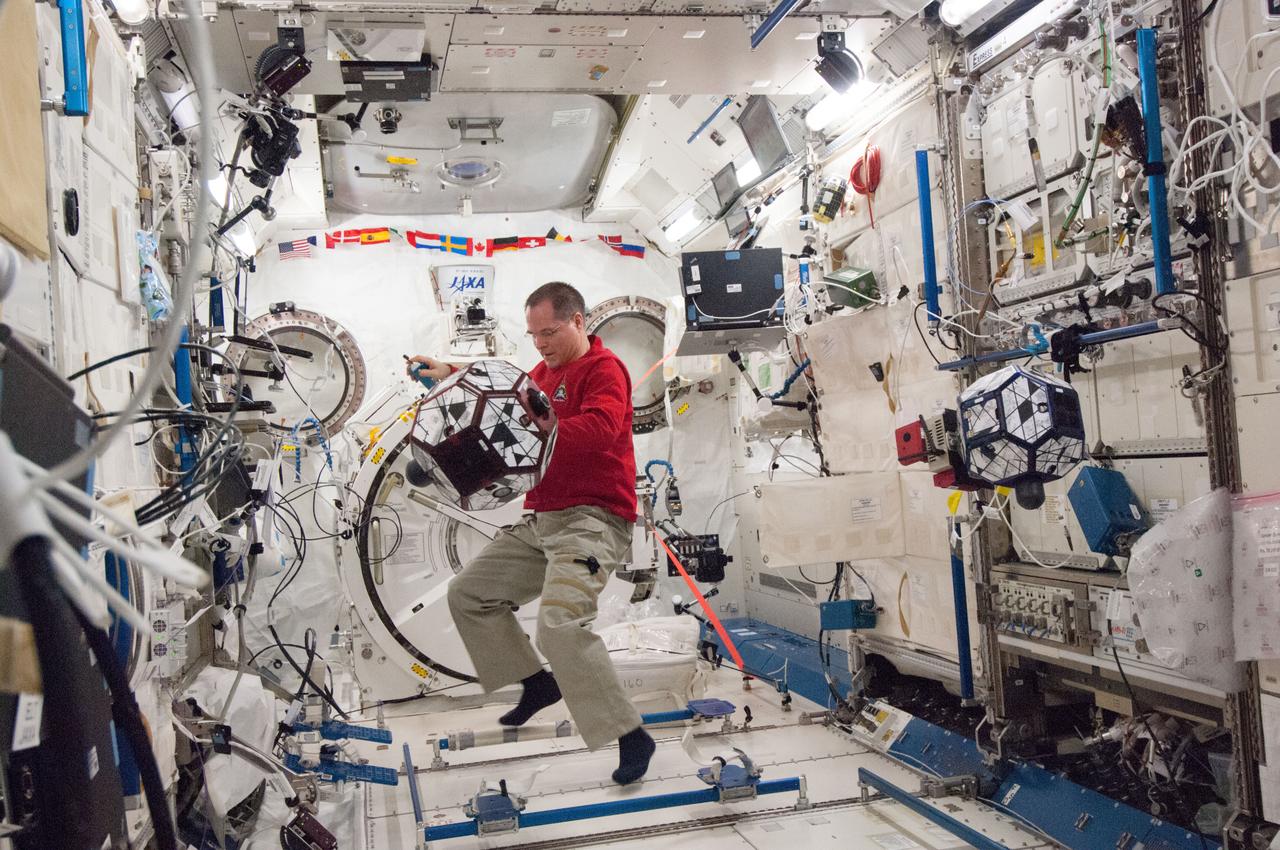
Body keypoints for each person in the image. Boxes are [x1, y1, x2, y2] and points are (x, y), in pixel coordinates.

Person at [406, 281, 655, 784]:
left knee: (560, 627)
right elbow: (503, 396)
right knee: (468, 595)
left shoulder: (605, 370)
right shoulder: (542, 374)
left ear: (578, 321)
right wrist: (448, 374)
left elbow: (604, 429)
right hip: (543, 521)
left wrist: (549, 425)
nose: (540, 344)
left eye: (549, 332)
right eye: (533, 335)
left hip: (593, 519)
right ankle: (536, 683)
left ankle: (632, 735)